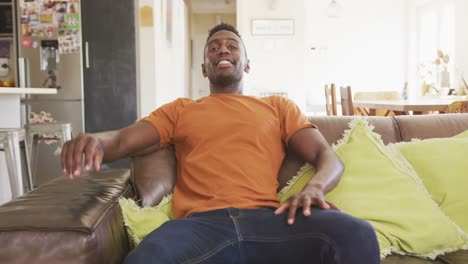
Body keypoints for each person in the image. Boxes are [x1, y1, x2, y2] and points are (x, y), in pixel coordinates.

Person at [61, 23, 379, 264]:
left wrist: (314, 189)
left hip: (270, 222)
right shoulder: (180, 110)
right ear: (204, 68)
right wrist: (94, 141)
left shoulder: (278, 107)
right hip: (199, 225)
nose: (222, 50)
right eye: (213, 48)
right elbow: (121, 140)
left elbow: (328, 157)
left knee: (358, 233)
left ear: (247, 63)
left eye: (231, 46)